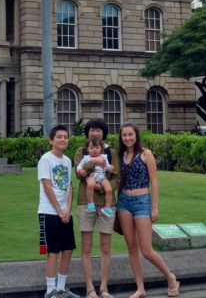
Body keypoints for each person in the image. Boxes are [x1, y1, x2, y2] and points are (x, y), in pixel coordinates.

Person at [116, 122, 179, 298]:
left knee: (146, 250)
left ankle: (171, 277)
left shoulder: (145, 154)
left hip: (142, 202)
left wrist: (155, 207)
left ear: (136, 136)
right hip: (123, 203)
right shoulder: (120, 155)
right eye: (124, 135)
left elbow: (155, 181)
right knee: (131, 247)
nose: (127, 138)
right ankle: (140, 289)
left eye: (130, 135)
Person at [73, 118, 119, 298]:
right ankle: (90, 288)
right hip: (86, 202)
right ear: (87, 133)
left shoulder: (111, 152)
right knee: (86, 247)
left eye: (99, 130)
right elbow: (79, 174)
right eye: (92, 130)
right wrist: (95, 161)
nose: (95, 133)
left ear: (103, 133)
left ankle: (104, 288)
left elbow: (116, 177)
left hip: (107, 203)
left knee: (106, 247)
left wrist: (104, 187)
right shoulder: (81, 151)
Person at [38, 125, 79, 298]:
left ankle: (61, 288)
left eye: (65, 137)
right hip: (49, 212)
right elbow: (47, 186)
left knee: (68, 249)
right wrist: (58, 209)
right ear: (51, 140)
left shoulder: (68, 161)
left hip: (65, 213)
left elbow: (69, 186)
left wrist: (68, 209)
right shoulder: (46, 159)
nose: (63, 139)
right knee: (53, 251)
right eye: (59, 137)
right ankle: (50, 290)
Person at [77, 137, 115, 217]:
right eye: (91, 148)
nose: (94, 150)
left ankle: (107, 207)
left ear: (101, 148)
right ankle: (90, 203)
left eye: (97, 147)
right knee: (90, 185)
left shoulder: (104, 157)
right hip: (92, 175)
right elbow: (79, 166)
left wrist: (110, 168)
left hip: (102, 176)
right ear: (87, 149)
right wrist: (80, 170)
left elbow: (107, 167)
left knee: (109, 189)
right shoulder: (86, 158)